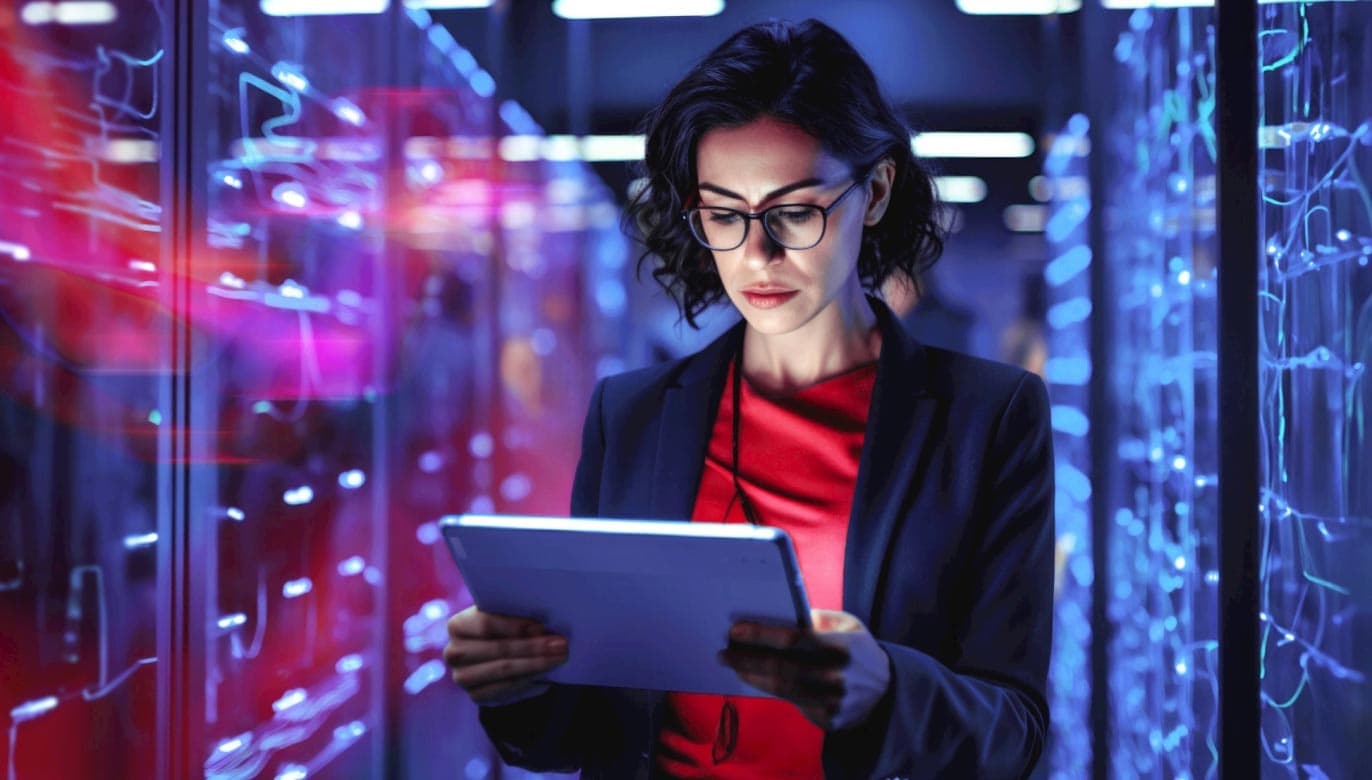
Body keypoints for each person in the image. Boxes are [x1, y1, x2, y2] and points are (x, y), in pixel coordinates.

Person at [443, 19, 1054, 780]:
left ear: (877, 192)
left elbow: (1016, 735)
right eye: (725, 216)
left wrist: (886, 691)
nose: (756, 256)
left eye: (794, 212)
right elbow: (591, 734)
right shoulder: (629, 415)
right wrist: (517, 684)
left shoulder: (988, 416)